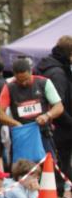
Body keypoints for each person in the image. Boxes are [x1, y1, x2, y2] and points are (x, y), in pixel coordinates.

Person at [0, 56, 63, 164]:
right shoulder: (9, 87)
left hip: (43, 133)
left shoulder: (44, 83)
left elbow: (59, 107)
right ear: (14, 75)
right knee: (23, 169)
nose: (23, 83)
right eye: (19, 80)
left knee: (47, 167)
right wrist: (15, 123)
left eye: (26, 79)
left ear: (31, 72)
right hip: (22, 134)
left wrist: (47, 115)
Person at [38, 35, 72, 187]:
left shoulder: (45, 66)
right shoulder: (58, 73)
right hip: (59, 129)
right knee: (59, 167)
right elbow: (58, 104)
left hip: (48, 126)